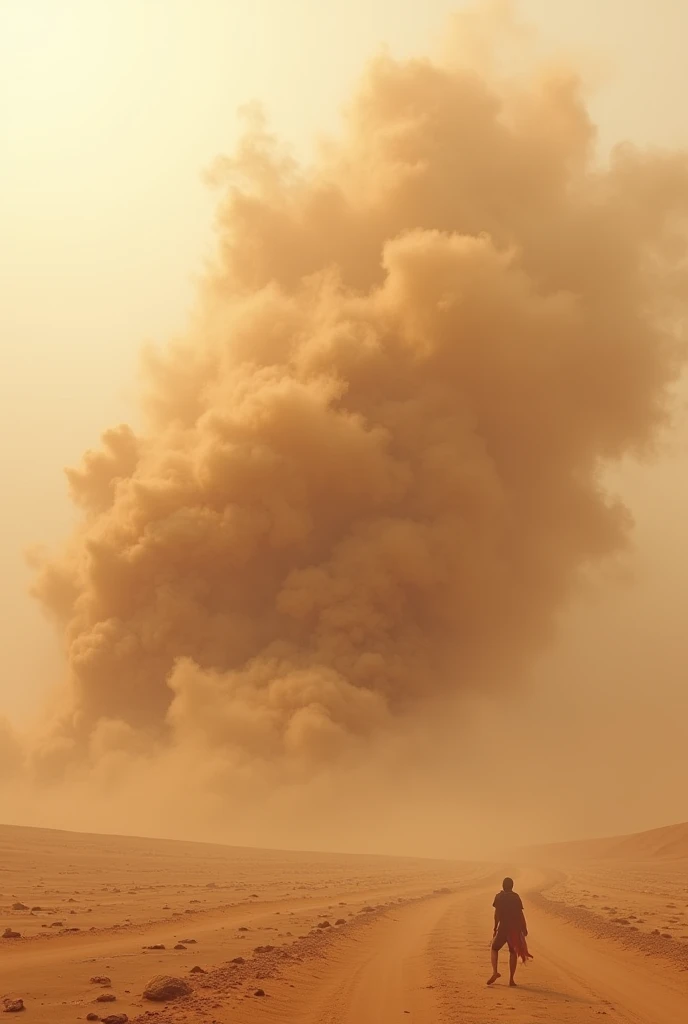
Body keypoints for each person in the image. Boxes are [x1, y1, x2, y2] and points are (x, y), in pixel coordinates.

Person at [487, 876, 532, 987]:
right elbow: (520, 914)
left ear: (503, 886)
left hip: (503, 927)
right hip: (514, 929)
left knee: (494, 948)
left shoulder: (498, 897)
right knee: (512, 952)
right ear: (512, 886)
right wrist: (524, 928)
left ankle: (495, 972)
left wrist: (495, 928)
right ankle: (511, 980)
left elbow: (496, 914)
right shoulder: (516, 897)